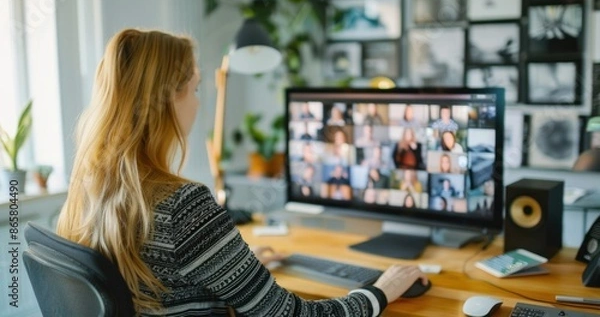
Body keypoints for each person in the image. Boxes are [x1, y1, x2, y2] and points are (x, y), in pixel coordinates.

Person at [55, 29, 427, 316]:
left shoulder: (90, 187)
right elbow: (293, 315)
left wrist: (236, 272)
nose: (200, 101)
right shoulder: (184, 205)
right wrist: (381, 291)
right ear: (170, 97)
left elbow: (161, 284)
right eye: (195, 88)